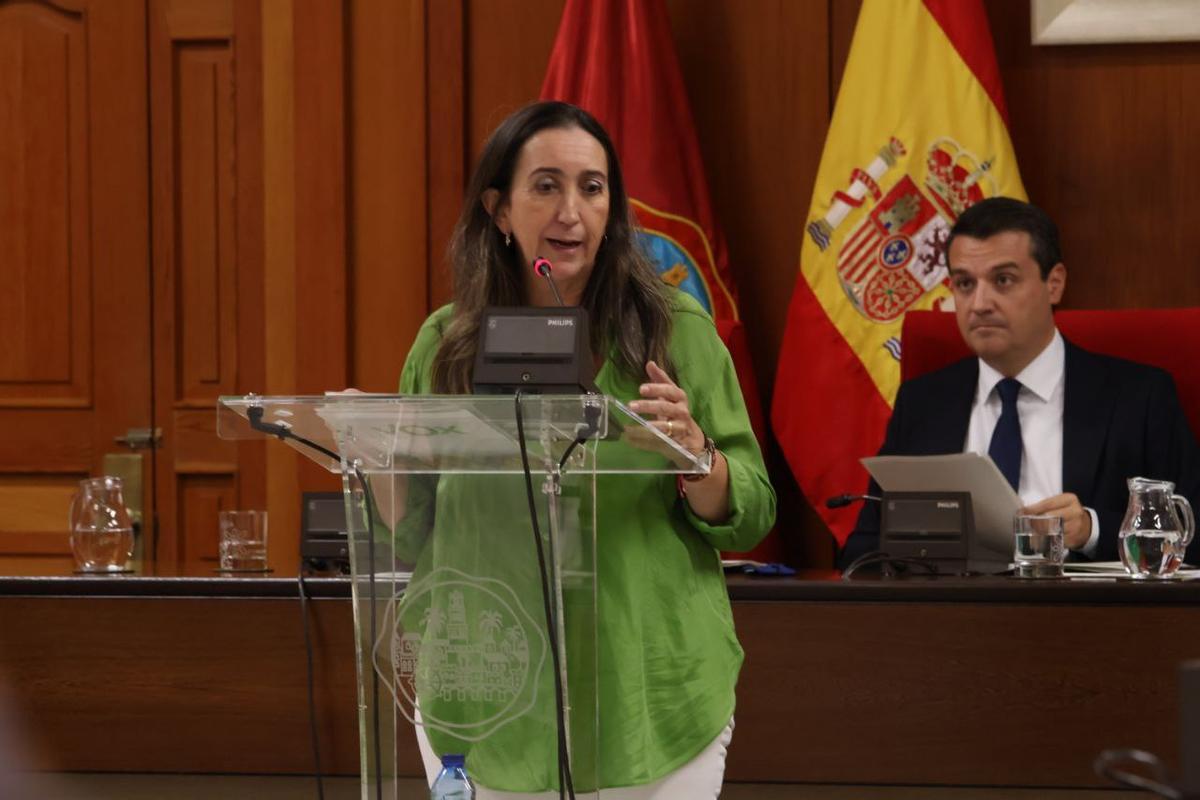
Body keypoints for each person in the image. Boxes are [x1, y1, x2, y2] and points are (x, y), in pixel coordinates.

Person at [392, 101, 774, 798]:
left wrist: (697, 458)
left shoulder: (675, 331)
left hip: (649, 691)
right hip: (487, 698)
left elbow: (750, 509)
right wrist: (379, 447)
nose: (572, 211)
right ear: (499, 211)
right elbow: (413, 528)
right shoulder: (446, 347)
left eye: (592, 188)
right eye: (546, 186)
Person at [841, 196, 1200, 567]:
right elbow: (863, 550)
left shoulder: (1138, 398)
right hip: (949, 616)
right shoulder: (924, 403)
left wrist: (1091, 529)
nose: (980, 303)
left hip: (1089, 618)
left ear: (1054, 284)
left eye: (1003, 280)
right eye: (964, 283)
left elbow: (1193, 534)